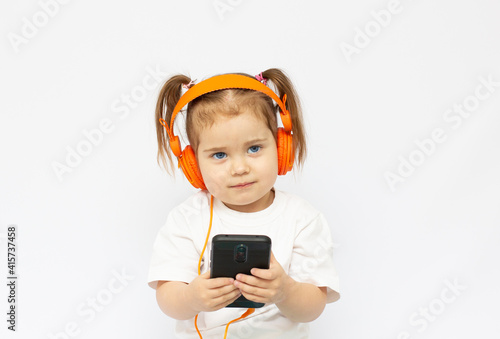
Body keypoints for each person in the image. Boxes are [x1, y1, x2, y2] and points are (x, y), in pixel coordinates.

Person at [148, 68, 340, 338]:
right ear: (193, 165)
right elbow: (167, 297)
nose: (239, 168)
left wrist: (285, 291)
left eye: (254, 148)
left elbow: (312, 308)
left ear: (281, 147)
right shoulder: (187, 217)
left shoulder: (303, 218)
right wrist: (192, 298)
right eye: (219, 155)